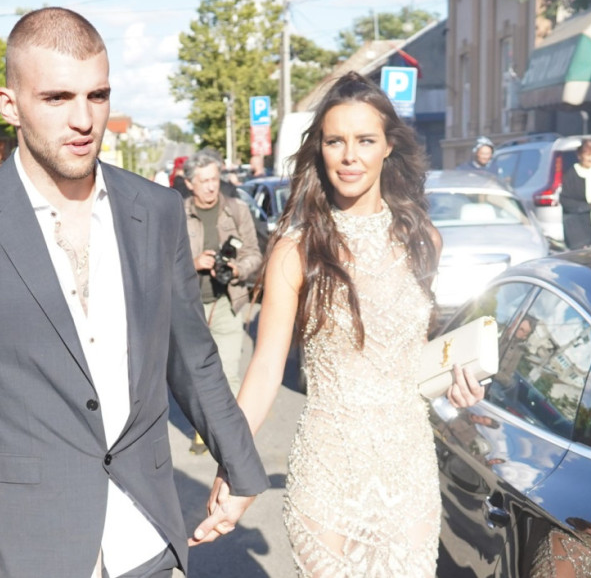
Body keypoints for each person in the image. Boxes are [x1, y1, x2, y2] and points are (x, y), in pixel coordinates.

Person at [0, 7, 268, 578]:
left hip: (144, 535)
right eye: (56, 98)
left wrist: (240, 464)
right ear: (9, 104)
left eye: (98, 95)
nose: (83, 119)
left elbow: (191, 356)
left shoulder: (157, 210)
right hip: (20, 549)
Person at [207, 71, 484, 576]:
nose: (350, 156)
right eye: (335, 141)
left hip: (409, 471)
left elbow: (412, 352)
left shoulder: (425, 240)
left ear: (388, 147)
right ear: (320, 149)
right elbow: (265, 370)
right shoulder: (295, 250)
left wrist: (455, 383)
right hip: (327, 473)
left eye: (365, 140)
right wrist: (234, 466)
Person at [183, 150, 261, 454]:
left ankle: (231, 439)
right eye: (203, 181)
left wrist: (237, 269)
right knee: (197, 375)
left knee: (228, 373)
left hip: (228, 303)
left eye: (214, 179)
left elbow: (254, 252)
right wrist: (194, 263)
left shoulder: (237, 210)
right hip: (190, 308)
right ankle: (203, 430)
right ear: (189, 184)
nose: (211, 186)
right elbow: (161, 261)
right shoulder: (176, 214)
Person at [561, 138, 591, 250]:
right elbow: (566, 202)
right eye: (588, 155)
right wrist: (590, 205)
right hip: (577, 228)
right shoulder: (571, 173)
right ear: (580, 155)